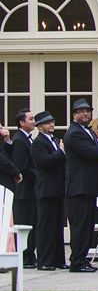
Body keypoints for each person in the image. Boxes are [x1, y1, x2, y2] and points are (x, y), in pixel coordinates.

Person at [63, 98, 98, 272]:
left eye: (88, 111)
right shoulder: (75, 133)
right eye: (81, 111)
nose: (85, 114)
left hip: (88, 186)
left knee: (87, 225)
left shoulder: (87, 132)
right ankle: (77, 261)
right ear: (74, 114)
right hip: (79, 187)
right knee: (80, 225)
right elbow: (92, 152)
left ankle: (82, 258)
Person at [30, 110, 66, 270]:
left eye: (52, 121)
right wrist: (61, 152)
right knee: (45, 227)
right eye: (47, 123)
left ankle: (58, 259)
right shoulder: (38, 143)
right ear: (39, 127)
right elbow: (44, 162)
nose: (51, 124)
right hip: (46, 190)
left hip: (58, 189)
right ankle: (44, 261)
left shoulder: (55, 140)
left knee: (57, 226)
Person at [10, 109, 37, 268]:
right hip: (24, 191)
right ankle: (25, 256)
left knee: (32, 223)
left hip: (30, 190)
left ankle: (30, 255)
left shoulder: (28, 139)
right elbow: (22, 167)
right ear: (22, 122)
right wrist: (39, 174)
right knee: (25, 223)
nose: (33, 121)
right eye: (31, 119)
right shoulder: (20, 140)